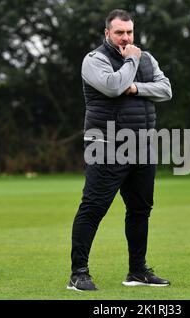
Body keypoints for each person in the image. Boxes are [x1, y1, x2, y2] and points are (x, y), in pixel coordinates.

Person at [67, 9, 172, 291]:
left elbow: (166, 89)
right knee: (93, 208)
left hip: (142, 147)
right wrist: (131, 60)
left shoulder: (147, 58)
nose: (125, 38)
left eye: (129, 32)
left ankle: (137, 272)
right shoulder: (94, 60)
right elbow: (113, 87)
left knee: (140, 210)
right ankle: (78, 274)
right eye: (119, 33)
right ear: (107, 33)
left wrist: (136, 87)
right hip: (105, 146)